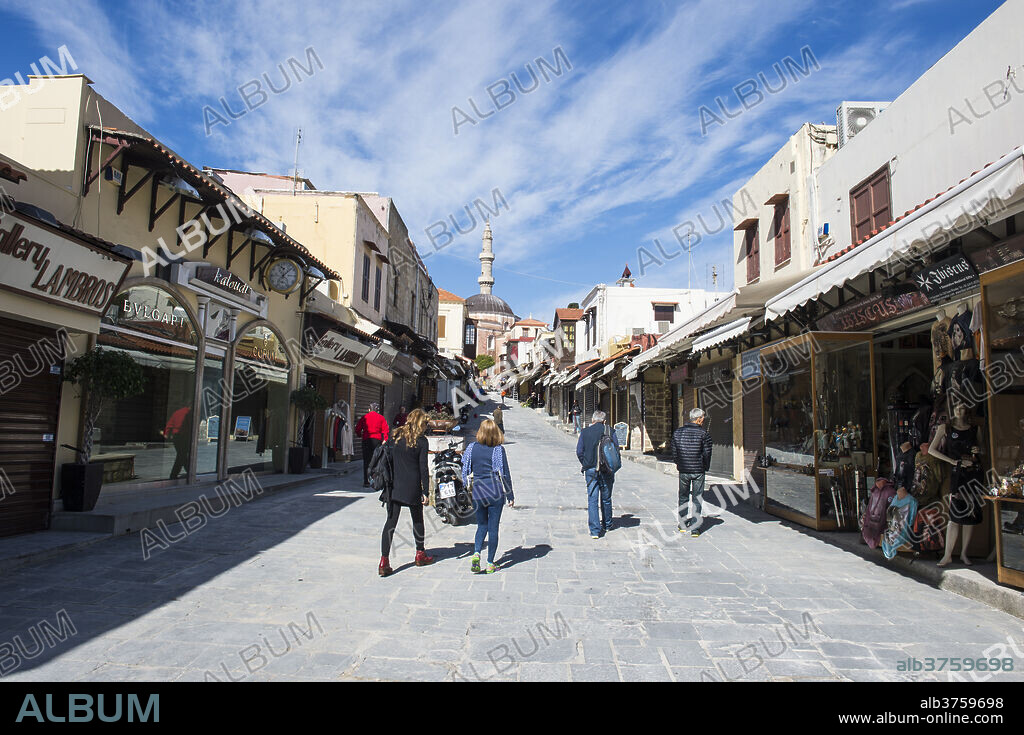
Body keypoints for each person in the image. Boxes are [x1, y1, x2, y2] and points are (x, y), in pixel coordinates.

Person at [379, 409, 434, 576]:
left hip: (394, 485)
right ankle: (420, 553)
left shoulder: (395, 436)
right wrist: (426, 490)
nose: (426, 426)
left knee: (390, 523)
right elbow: (423, 468)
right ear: (420, 423)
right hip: (412, 487)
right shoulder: (422, 441)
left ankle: (384, 560)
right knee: (417, 519)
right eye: (425, 423)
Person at [462, 419, 514, 574]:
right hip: (495, 492)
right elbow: (504, 474)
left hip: (478, 492)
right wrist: (510, 494)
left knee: (481, 526)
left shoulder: (472, 448)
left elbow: (466, 467)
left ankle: (476, 553)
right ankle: (490, 563)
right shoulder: (498, 450)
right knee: (493, 529)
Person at [671, 407, 713, 537]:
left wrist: (679, 463)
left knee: (683, 496)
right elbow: (707, 453)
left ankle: (682, 524)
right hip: (698, 470)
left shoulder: (678, 433)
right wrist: (705, 467)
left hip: (683, 470)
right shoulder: (704, 434)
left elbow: (674, 452)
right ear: (699, 419)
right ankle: (695, 528)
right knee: (697, 498)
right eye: (702, 418)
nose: (703, 420)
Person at [577, 410, 614, 539]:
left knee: (592, 499)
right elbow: (615, 452)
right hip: (606, 470)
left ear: (592, 420)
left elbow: (579, 451)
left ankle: (594, 530)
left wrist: (586, 463)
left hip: (590, 470)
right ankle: (607, 524)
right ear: (604, 421)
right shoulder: (609, 431)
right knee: (606, 498)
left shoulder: (585, 432)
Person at [356, 402, 389, 487]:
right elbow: (385, 429)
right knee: (377, 460)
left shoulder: (364, 417)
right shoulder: (381, 418)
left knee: (366, 460)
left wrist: (360, 435)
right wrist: (385, 439)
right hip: (377, 440)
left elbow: (357, 429)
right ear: (377, 410)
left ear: (369, 409)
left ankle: (366, 481)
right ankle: (375, 481)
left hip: (366, 439)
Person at [163, 405, 192, 480]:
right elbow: (189, 425)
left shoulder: (177, 412)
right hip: (184, 436)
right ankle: (188, 473)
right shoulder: (188, 413)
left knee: (181, 455)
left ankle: (183, 473)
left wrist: (166, 433)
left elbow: (170, 423)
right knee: (182, 456)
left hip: (176, 436)